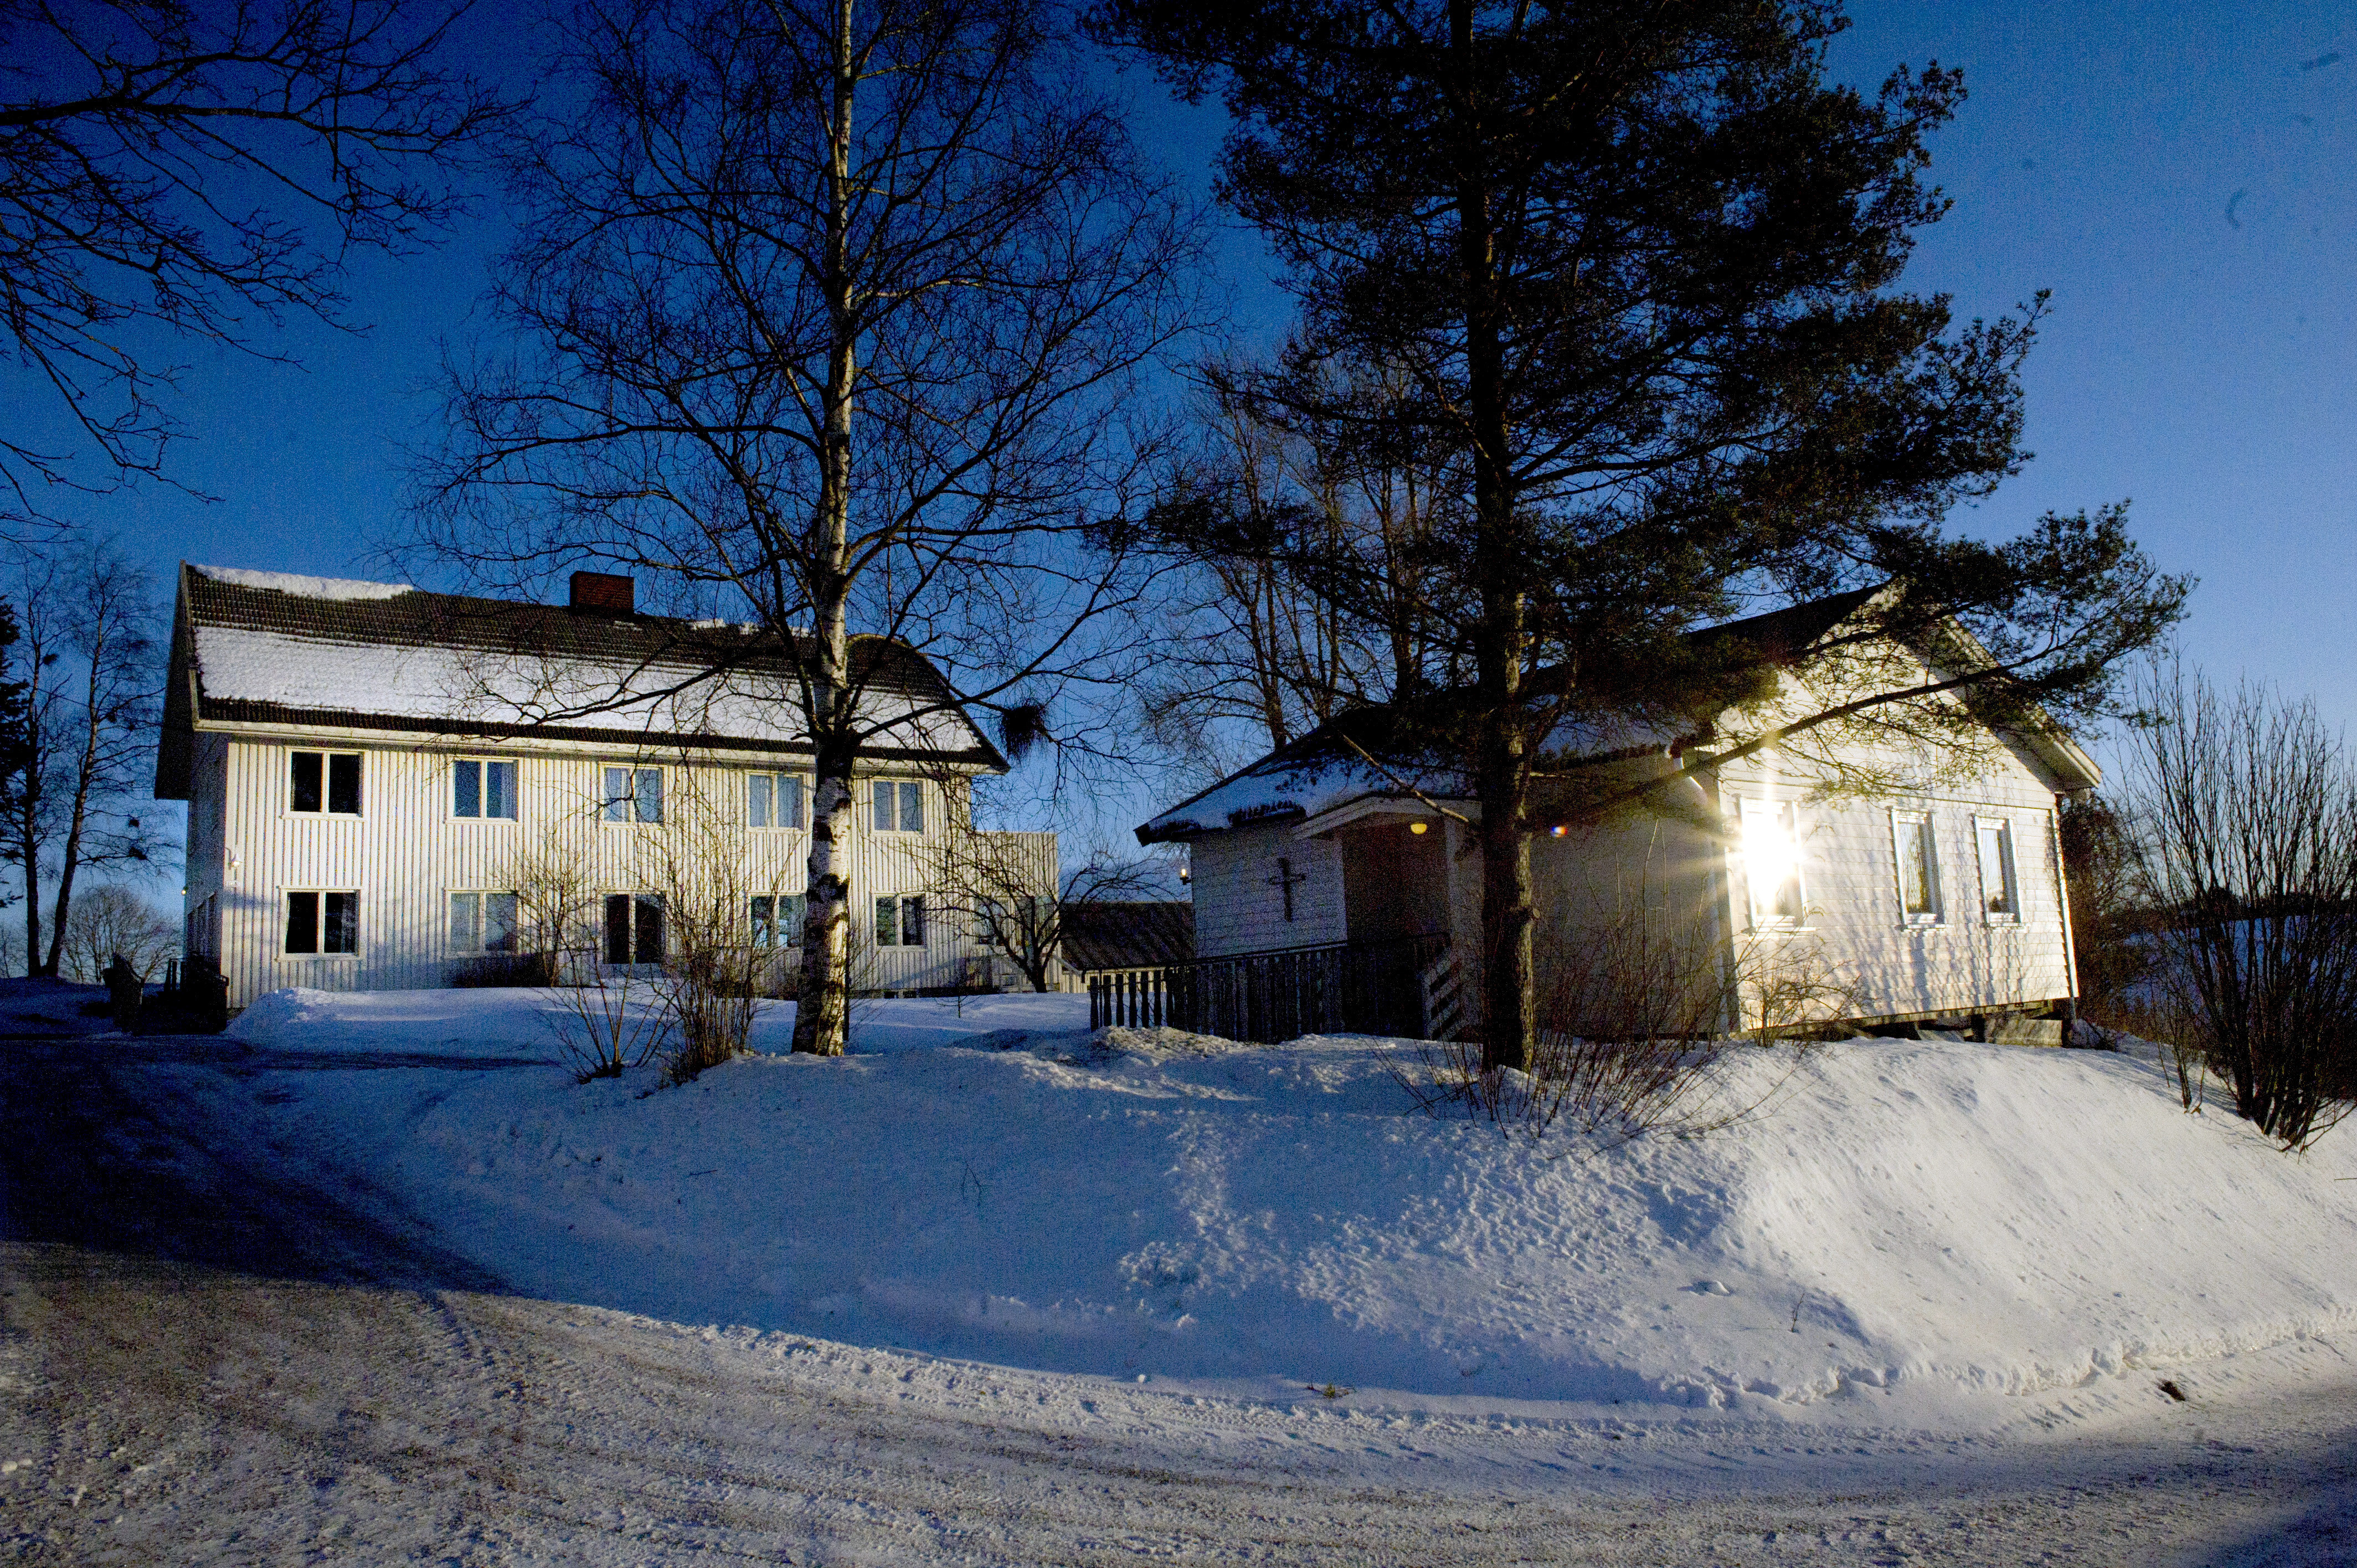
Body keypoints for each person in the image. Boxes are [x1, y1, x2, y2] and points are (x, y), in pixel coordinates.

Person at [102, 952, 142, 1033]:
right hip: (124, 990)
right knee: (124, 1008)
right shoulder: (124, 967)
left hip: (123, 991)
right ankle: (123, 1025)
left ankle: (123, 1025)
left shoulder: (122, 969)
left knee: (123, 1008)